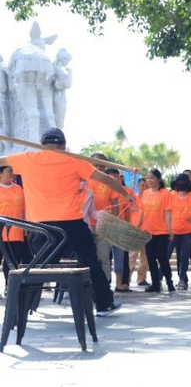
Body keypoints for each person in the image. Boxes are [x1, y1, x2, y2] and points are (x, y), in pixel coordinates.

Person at [0, 128, 132, 316]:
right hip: (72, 224)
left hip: (40, 226)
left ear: (41, 144)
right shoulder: (75, 161)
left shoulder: (27, 159)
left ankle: (22, 308)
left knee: (38, 267)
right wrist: (127, 195)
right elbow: (108, 181)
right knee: (90, 262)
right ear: (64, 145)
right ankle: (104, 304)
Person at [138, 169, 174, 293]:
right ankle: (155, 284)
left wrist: (169, 229)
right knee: (151, 258)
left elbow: (168, 212)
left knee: (162, 257)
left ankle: (169, 282)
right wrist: (138, 226)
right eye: (147, 178)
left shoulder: (165, 193)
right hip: (148, 231)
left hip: (161, 231)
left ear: (158, 179)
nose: (149, 180)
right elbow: (142, 212)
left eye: (152, 178)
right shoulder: (145, 193)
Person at [167, 174, 191, 291]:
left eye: (182, 182)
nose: (180, 184)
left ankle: (182, 280)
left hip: (188, 232)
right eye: (178, 182)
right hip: (172, 231)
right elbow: (166, 212)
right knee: (165, 255)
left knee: (184, 256)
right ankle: (159, 279)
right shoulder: (171, 196)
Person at [86, 152, 117, 283]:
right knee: (88, 257)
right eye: (96, 165)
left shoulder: (110, 181)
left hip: (104, 224)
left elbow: (115, 203)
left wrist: (115, 222)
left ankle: (105, 284)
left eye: (102, 166)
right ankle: (89, 285)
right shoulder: (84, 178)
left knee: (103, 256)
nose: (99, 168)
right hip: (85, 224)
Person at [0, 165, 29, 283]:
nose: (12, 173)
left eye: (14, 170)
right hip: (1, 233)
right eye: (9, 171)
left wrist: (26, 228)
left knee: (12, 263)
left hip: (16, 233)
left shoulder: (19, 189)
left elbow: (24, 210)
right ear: (0, 173)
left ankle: (10, 287)